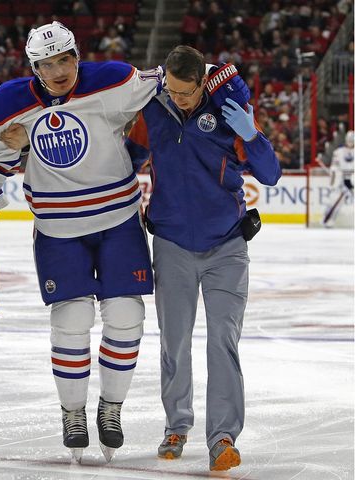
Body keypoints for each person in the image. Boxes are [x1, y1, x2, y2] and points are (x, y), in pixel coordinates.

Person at [0, 21, 161, 463]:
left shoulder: (114, 80)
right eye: (46, 64)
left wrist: (221, 75)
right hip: (57, 228)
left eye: (64, 60)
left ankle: (111, 409)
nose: (57, 71)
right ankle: (73, 412)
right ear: (32, 67)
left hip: (119, 220)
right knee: (71, 320)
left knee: (127, 316)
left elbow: (173, 79)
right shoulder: (10, 103)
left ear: (77, 55)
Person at [126, 45, 281, 471]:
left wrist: (252, 135)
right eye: (172, 92)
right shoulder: (154, 111)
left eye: (186, 93)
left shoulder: (227, 111)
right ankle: (176, 425)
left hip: (228, 247)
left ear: (201, 83)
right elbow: (127, 160)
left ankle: (223, 437)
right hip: (173, 245)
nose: (179, 100)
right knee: (174, 342)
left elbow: (270, 174)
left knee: (222, 341)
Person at [323, 130, 354, 226]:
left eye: (352, 140)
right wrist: (334, 181)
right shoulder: (339, 152)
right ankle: (328, 219)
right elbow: (334, 167)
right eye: (349, 140)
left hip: (353, 178)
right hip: (341, 179)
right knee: (334, 200)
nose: (350, 142)